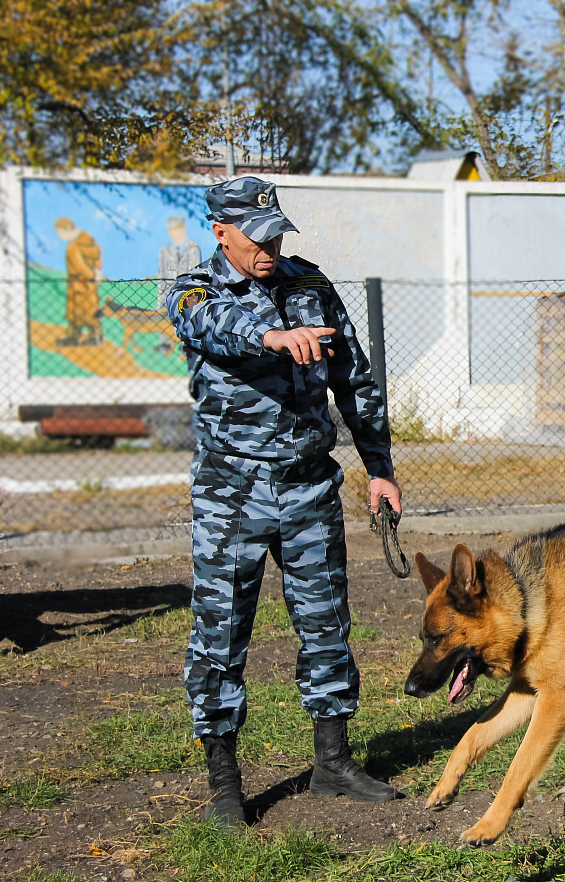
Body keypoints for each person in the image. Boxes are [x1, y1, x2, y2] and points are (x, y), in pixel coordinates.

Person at [166, 176, 403, 826]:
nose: (269, 246)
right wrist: (269, 337)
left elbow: (353, 377)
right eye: (255, 235)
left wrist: (378, 467)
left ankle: (333, 763)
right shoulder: (196, 291)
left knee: (327, 623)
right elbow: (211, 324)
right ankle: (224, 787)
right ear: (221, 232)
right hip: (231, 492)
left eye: (276, 233)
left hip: (308, 485)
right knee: (221, 636)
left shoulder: (309, 286)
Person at [54, 218, 103, 346]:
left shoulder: (73, 247)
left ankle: (75, 337)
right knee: (91, 309)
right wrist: (96, 273)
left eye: (60, 233)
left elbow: (80, 266)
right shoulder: (91, 241)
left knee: (75, 312)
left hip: (77, 283)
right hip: (90, 283)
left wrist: (91, 274)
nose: (60, 236)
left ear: (67, 229)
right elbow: (97, 257)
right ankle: (94, 336)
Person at [157, 215, 202, 309]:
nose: (173, 233)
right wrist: (160, 305)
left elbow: (196, 279)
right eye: (171, 230)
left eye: (176, 229)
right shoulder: (164, 251)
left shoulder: (193, 249)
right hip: (167, 302)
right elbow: (161, 280)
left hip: (187, 302)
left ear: (182, 229)